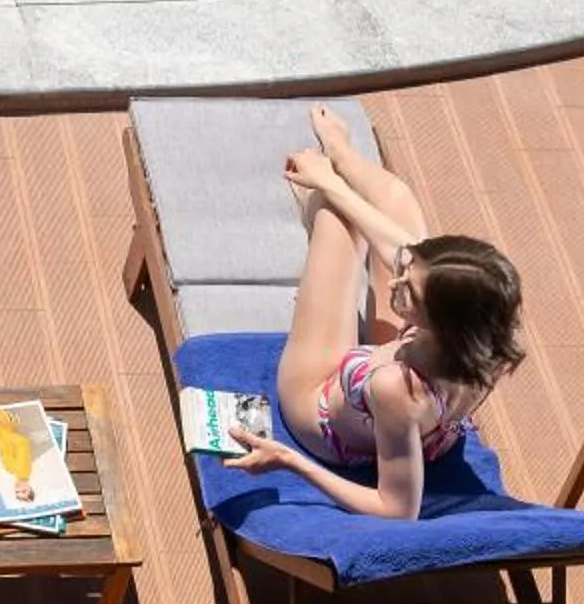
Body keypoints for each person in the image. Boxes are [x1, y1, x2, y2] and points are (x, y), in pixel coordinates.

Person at [223, 104, 526, 521]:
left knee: (335, 216)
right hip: (401, 401)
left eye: (408, 293)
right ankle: (342, 160)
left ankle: (316, 204)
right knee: (394, 199)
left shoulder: (395, 391)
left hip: (324, 414)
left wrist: (290, 460)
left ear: (439, 322)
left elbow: (399, 509)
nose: (396, 283)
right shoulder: (490, 341)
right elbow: (402, 251)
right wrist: (336, 167)